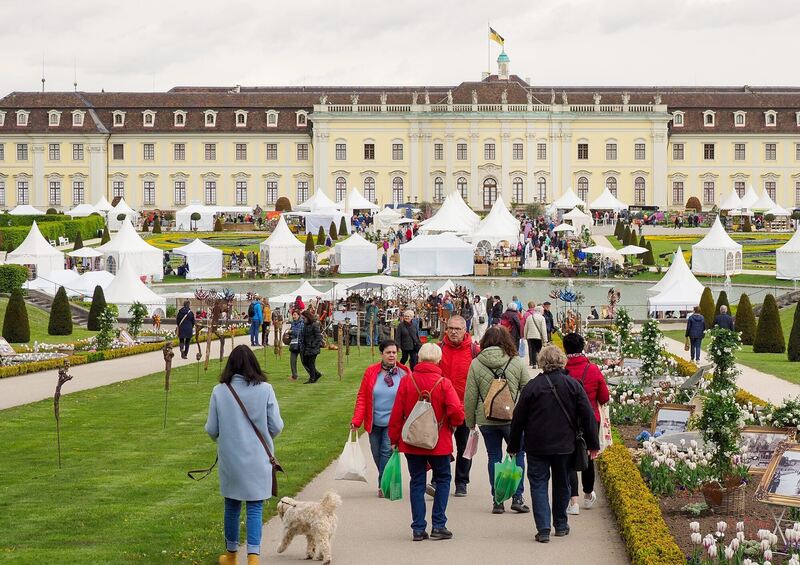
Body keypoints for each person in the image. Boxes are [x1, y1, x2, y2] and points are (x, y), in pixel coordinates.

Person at [508, 345, 599, 543]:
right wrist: (593, 444)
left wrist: (513, 446)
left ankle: (543, 528)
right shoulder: (573, 385)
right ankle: (561, 524)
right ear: (561, 361)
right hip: (564, 445)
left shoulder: (532, 387)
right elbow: (588, 415)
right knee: (562, 484)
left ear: (541, 362)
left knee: (538, 485)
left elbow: (518, 419)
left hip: (536, 445)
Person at [205, 345, 284, 565]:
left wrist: (228, 439)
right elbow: (276, 425)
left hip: (231, 459)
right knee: (255, 507)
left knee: (231, 505)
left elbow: (212, 429)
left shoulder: (219, 391)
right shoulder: (265, 389)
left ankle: (231, 556)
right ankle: (253, 556)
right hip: (259, 457)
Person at [388, 343, 464, 542]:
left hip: (413, 441)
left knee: (417, 482)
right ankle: (438, 524)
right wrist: (453, 424)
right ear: (439, 360)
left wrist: (394, 438)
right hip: (439, 441)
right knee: (443, 479)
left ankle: (418, 527)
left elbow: (396, 413)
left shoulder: (407, 381)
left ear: (420, 359)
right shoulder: (443, 383)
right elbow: (456, 411)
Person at [464, 327, 530, 514]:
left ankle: (498, 499)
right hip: (513, 419)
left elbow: (470, 396)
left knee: (494, 456)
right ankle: (517, 496)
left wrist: (470, 422)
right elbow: (527, 389)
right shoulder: (515, 361)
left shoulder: (476, 363)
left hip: (486, 418)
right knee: (517, 454)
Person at [351, 339, 410, 496]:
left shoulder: (404, 373)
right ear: (381, 354)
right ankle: (385, 477)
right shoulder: (371, 372)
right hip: (374, 422)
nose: (391, 356)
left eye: (394, 352)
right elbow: (363, 396)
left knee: (386, 451)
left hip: (393, 422)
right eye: (388, 353)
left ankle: (383, 486)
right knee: (376, 453)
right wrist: (357, 420)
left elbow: (410, 398)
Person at [563, 333, 609, 515]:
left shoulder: (563, 370)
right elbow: (604, 397)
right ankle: (588, 494)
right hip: (591, 419)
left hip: (568, 421)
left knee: (570, 459)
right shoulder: (592, 369)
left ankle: (572, 501)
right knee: (589, 455)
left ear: (565, 349)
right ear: (582, 348)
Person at [438, 315, 479, 497]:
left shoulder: (474, 350)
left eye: (457, 329)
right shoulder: (438, 349)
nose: (453, 332)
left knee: (464, 447)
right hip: (442, 406)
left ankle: (461, 481)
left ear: (465, 331)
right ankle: (439, 478)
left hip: (465, 407)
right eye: (451, 328)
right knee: (439, 446)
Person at [300, 309, 323, 383]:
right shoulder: (305, 325)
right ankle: (316, 374)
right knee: (305, 362)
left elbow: (318, 337)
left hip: (313, 347)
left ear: (307, 317)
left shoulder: (314, 325)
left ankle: (312, 378)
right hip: (307, 347)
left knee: (310, 363)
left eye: (304, 318)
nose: (303, 320)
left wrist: (313, 344)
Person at [287, 310, 304, 381]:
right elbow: (293, 333)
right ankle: (294, 376)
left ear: (298, 315)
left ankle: (313, 373)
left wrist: (292, 332)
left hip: (301, 343)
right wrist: (289, 335)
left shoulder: (302, 323)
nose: (293, 316)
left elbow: (300, 333)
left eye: (295, 315)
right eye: (293, 315)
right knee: (292, 360)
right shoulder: (293, 323)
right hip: (293, 343)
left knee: (304, 361)